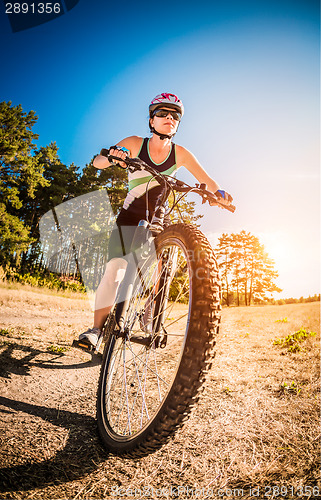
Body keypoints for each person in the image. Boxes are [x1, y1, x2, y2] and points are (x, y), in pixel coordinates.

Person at [78, 92, 233, 348]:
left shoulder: (180, 153)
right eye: (162, 113)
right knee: (114, 270)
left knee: (163, 270)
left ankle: (150, 311)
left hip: (159, 217)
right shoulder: (135, 142)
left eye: (175, 115)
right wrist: (113, 156)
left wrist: (219, 195)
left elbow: (209, 182)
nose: (169, 118)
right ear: (152, 121)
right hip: (131, 214)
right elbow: (98, 162)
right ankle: (95, 330)